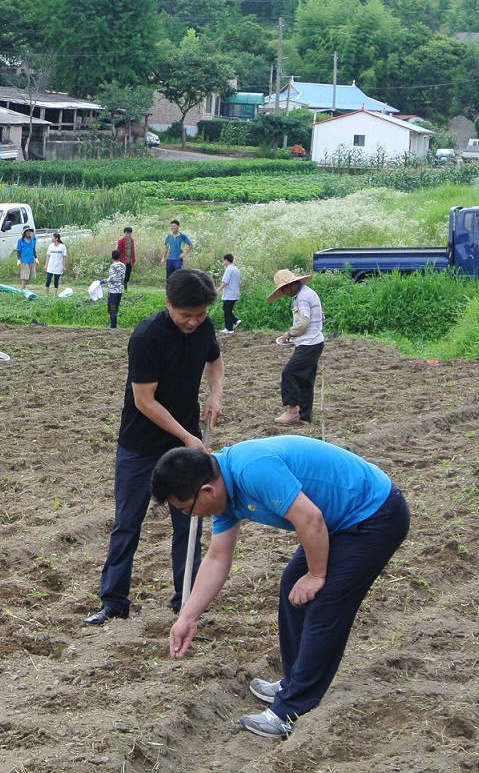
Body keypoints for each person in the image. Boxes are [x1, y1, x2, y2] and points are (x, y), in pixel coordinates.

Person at [151, 437, 410, 739]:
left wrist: (316, 574)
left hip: (373, 515)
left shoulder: (252, 469)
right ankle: (294, 681)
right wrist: (187, 617)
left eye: (186, 509)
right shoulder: (222, 488)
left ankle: (289, 710)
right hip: (335, 522)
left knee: (325, 603)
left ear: (207, 490)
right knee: (291, 584)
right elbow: (218, 557)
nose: (191, 516)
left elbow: (309, 518)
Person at [85, 267, 223, 626]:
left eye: (200, 315)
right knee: (127, 522)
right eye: (185, 315)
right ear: (168, 304)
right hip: (141, 445)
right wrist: (186, 437)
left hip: (185, 442)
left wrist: (215, 393)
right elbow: (144, 400)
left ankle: (187, 600)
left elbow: (214, 360)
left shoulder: (205, 327)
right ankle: (114, 601)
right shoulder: (147, 335)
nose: (193, 322)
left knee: (189, 522)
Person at [267, 269, 324, 424]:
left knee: (289, 373)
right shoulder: (308, 293)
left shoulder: (302, 298)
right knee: (306, 380)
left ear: (290, 285)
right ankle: (305, 416)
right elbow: (320, 316)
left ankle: (292, 411)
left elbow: (304, 323)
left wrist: (290, 334)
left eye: (283, 289)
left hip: (309, 343)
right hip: (315, 341)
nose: (284, 293)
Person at [102, 249, 127, 329]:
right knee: (116, 306)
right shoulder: (123, 265)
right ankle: (113, 324)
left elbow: (112, 278)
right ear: (119, 257)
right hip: (120, 289)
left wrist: (103, 281)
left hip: (113, 290)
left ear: (112, 257)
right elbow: (123, 277)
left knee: (112, 307)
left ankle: (113, 325)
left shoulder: (113, 266)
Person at [219, 254, 241, 335]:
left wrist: (218, 290)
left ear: (226, 260)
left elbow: (225, 282)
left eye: (224, 260)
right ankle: (235, 321)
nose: (223, 262)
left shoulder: (228, 270)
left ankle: (229, 328)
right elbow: (239, 282)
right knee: (226, 309)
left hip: (229, 294)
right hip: (235, 293)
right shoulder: (236, 270)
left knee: (226, 310)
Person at [44, 232, 67, 298]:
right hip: (51, 266)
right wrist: (46, 265)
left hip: (58, 266)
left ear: (56, 239)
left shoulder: (62, 247)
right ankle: (46, 295)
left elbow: (64, 257)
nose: (51, 238)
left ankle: (54, 296)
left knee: (56, 281)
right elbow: (48, 256)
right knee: (48, 280)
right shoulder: (50, 246)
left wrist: (63, 266)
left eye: (52, 237)